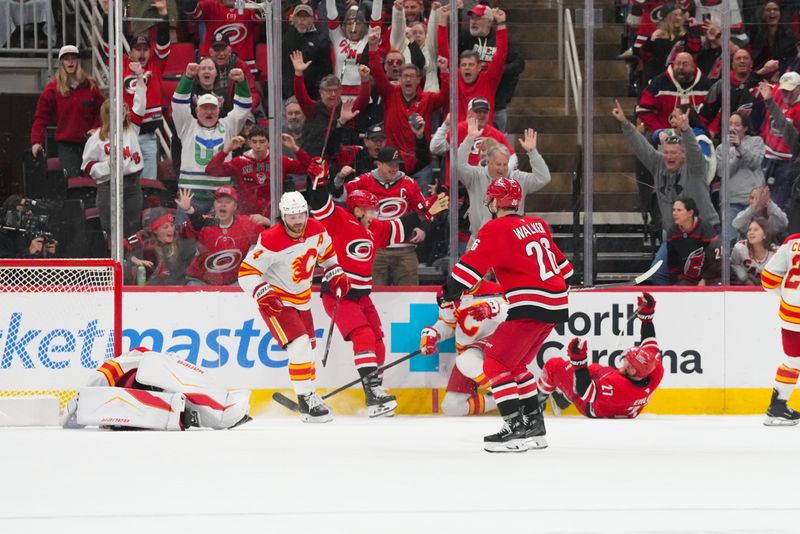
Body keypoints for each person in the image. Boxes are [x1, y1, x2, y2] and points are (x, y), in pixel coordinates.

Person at [440, 177, 573, 453]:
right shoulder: (538, 224)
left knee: (495, 364)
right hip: (555, 305)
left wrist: (449, 292)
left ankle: (514, 430)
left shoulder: (495, 228)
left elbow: (469, 270)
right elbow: (567, 271)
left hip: (530, 306)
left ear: (495, 201)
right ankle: (535, 427)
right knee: (516, 366)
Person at [307, 176, 424, 417]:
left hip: (362, 296)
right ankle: (371, 393)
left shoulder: (374, 229)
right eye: (371, 210)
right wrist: (319, 180)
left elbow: (399, 228)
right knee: (364, 335)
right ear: (358, 210)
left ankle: (376, 391)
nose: (375, 215)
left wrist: (426, 210)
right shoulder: (340, 220)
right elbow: (319, 203)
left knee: (378, 339)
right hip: (338, 294)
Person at [238, 191, 350, 423]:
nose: (298, 221)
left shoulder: (317, 230)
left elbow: (328, 255)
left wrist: (335, 272)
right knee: (299, 345)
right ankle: (306, 398)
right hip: (278, 301)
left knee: (308, 349)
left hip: (303, 300)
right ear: (283, 216)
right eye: (292, 217)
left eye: (301, 215)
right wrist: (262, 292)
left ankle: (309, 396)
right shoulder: (270, 239)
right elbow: (246, 273)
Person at [538, 293, 663, 418]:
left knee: (554, 366)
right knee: (595, 369)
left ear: (631, 369)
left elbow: (585, 391)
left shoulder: (617, 386)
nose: (624, 360)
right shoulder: (654, 370)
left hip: (591, 405)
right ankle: (563, 399)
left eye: (627, 360)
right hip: (623, 405)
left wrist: (579, 363)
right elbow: (650, 342)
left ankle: (538, 401)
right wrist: (647, 318)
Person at [63, 347, 251, 430]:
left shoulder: (142, 359)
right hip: (128, 400)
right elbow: (69, 417)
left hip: (144, 387)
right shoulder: (108, 373)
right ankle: (220, 411)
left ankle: (222, 407)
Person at [344, 146, 447, 285]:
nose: (394, 168)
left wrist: (422, 228)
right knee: (374, 295)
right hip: (375, 248)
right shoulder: (363, 181)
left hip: (404, 249)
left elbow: (424, 210)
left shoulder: (409, 183)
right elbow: (342, 198)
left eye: (397, 164)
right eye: (390, 164)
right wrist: (339, 178)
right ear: (379, 163)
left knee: (410, 296)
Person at [172, 62, 252, 221]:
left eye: (212, 108)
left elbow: (243, 109)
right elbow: (178, 104)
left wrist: (242, 82)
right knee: (184, 239)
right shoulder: (187, 126)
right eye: (204, 108)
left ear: (218, 110)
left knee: (217, 241)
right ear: (196, 110)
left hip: (219, 197)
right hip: (189, 196)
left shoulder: (228, 126)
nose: (209, 111)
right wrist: (187, 78)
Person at [457, 117, 551, 244]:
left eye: (505, 164)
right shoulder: (475, 176)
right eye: (498, 164)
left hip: (512, 241)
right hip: (481, 241)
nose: (502, 169)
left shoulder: (518, 178)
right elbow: (458, 165)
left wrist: (532, 152)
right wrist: (469, 140)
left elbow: (543, 178)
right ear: (488, 162)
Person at [419, 280, 504, 416]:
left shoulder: (496, 290)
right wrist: (432, 334)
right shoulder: (448, 292)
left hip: (495, 347)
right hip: (467, 353)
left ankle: (511, 393)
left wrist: (495, 308)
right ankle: (514, 397)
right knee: (452, 407)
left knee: (466, 361)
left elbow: (516, 316)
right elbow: (449, 323)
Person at [81, 62, 147, 239]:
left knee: (133, 231)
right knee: (111, 231)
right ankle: (114, 266)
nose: (125, 112)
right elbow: (87, 166)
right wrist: (109, 167)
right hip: (108, 185)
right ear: (108, 114)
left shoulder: (132, 128)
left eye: (125, 109)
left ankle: (134, 266)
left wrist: (139, 77)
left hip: (132, 184)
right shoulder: (97, 138)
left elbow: (140, 105)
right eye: (120, 109)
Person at [30, 45, 105, 178]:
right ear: (61, 63)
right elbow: (41, 118)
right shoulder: (52, 89)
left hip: (91, 142)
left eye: (73, 58)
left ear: (78, 61)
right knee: (73, 180)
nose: (70, 62)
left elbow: (103, 111)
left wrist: (95, 128)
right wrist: (37, 141)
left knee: (94, 179)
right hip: (67, 144)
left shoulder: (91, 86)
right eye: (66, 59)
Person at [205, 126, 312, 218]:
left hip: (274, 216)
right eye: (254, 142)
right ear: (249, 143)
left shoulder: (279, 161)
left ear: (269, 143)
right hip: (247, 217)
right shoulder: (239, 162)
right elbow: (211, 170)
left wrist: (294, 148)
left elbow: (308, 167)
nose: (258, 146)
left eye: (262, 141)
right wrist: (227, 149)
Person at [178, 186, 267, 286]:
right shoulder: (206, 222)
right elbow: (183, 232)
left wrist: (267, 222)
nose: (223, 205)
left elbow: (275, 239)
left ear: (235, 206)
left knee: (247, 286)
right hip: (201, 281)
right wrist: (189, 210)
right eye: (219, 201)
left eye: (228, 202)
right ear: (214, 204)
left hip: (234, 282)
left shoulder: (247, 223)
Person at [437, 5, 507, 127]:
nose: (467, 68)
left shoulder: (488, 80)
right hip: (457, 138)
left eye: (471, 65)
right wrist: (443, 20)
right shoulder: (455, 76)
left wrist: (501, 23)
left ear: (479, 67)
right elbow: (444, 51)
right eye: (463, 65)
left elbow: (500, 55)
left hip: (481, 138)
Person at [761, 233, 800, 425]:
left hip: (791, 313)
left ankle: (777, 406)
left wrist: (787, 296)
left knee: (794, 360)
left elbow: (768, 280)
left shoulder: (793, 241)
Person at [715, 112, 765, 240]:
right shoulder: (721, 148)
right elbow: (723, 173)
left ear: (745, 128)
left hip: (754, 201)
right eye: (730, 124)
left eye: (737, 124)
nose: (732, 127)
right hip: (731, 202)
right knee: (731, 243)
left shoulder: (756, 141)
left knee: (756, 241)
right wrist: (738, 155)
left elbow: (755, 163)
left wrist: (740, 147)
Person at [181, 0, 263, 71]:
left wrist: (260, 7)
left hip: (243, 63)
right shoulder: (210, 5)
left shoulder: (248, 6)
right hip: (211, 63)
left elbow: (261, 16)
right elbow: (191, 9)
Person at [124, 207, 195, 286]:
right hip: (146, 291)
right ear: (155, 230)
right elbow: (117, 250)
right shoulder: (142, 239)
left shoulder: (180, 237)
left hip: (176, 289)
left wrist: (190, 210)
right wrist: (133, 259)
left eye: (172, 225)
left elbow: (196, 228)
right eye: (165, 227)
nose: (171, 229)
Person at [282, 2, 334, 101]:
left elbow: (325, 71)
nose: (302, 20)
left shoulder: (321, 40)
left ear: (313, 19)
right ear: (293, 18)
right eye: (299, 16)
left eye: (305, 17)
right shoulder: (286, 36)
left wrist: (318, 95)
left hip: (311, 95)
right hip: (287, 93)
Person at [666, 197, 718, 285]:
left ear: (690, 213)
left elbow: (716, 259)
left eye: (679, 210)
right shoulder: (672, 232)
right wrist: (679, 279)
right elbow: (672, 261)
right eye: (674, 210)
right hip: (686, 279)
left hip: (709, 278)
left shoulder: (706, 229)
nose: (675, 213)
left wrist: (705, 278)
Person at [731, 217, 778, 285]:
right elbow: (733, 264)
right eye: (749, 230)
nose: (751, 233)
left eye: (756, 230)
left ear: (765, 235)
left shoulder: (776, 252)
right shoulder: (739, 248)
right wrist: (744, 278)